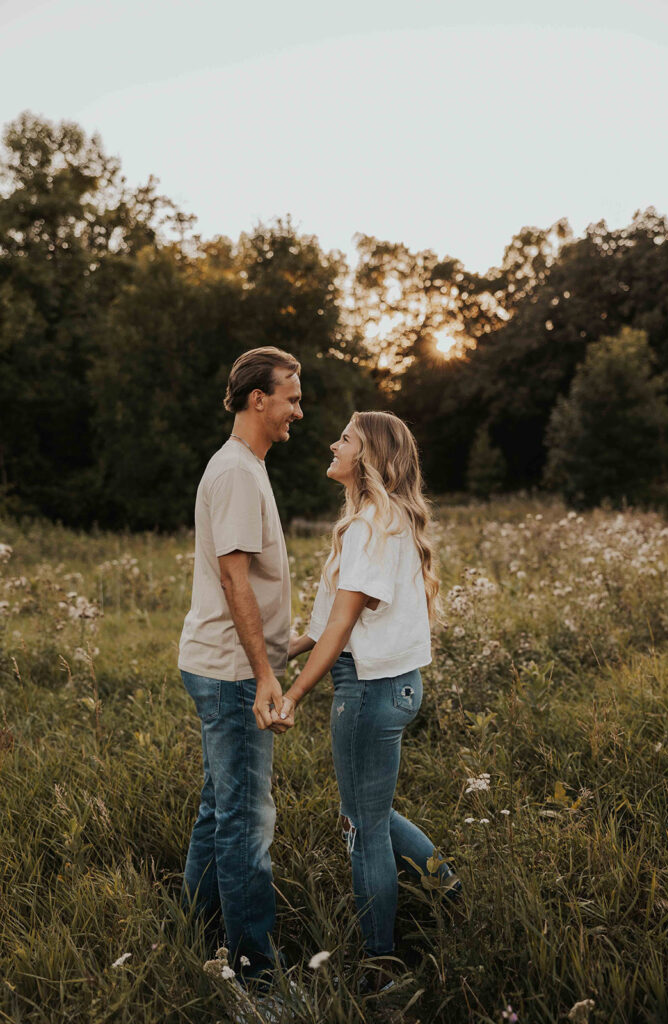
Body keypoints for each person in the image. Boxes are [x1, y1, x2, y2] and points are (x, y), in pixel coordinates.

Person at [277, 411, 459, 987]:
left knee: (362, 825)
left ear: (369, 458)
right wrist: (292, 645)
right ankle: (446, 887)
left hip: (368, 689)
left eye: (346, 440)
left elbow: (345, 623)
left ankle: (381, 963)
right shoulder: (388, 518)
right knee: (369, 815)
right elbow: (335, 615)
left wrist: (296, 691)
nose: (333, 444)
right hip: (401, 686)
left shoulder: (368, 525)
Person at [177, 345, 303, 984]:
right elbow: (234, 581)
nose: (297, 413)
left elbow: (247, 579)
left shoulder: (247, 467)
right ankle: (255, 976)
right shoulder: (234, 472)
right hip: (231, 675)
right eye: (291, 398)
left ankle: (194, 931)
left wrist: (287, 647)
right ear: (260, 399)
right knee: (247, 824)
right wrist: (264, 675)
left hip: (232, 666)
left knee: (218, 808)